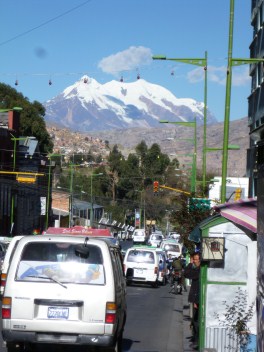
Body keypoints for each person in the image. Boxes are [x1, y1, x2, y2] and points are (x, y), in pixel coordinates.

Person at [184, 252, 201, 346]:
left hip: (197, 298)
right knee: (194, 319)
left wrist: (190, 264)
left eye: (195, 259)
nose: (193, 261)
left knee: (196, 320)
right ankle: (195, 338)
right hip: (195, 298)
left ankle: (197, 340)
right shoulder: (197, 269)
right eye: (193, 259)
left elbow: (186, 274)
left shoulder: (199, 270)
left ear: (199, 260)